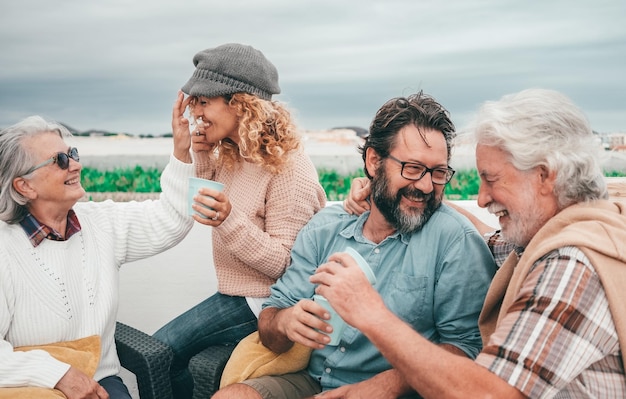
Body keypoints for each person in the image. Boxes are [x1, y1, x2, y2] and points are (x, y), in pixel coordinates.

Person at [321, 88, 626, 398]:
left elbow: (489, 394)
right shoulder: (566, 234)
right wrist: (392, 190)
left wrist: (371, 313)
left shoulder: (571, 265)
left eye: (490, 179)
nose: (480, 198)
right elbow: (485, 236)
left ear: (544, 176)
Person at [212, 91, 497, 399]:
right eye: (412, 168)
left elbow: (468, 349)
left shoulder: (456, 242)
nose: (426, 186)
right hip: (312, 380)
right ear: (374, 161)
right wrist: (284, 322)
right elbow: (271, 320)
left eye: (438, 173)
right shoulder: (325, 228)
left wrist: (388, 384)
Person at [152, 43, 327, 398]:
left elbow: (288, 265)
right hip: (235, 294)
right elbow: (204, 208)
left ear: (239, 102)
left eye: (203, 101)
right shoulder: (236, 153)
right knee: (159, 353)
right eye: (194, 102)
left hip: (263, 303)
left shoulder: (290, 169)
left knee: (158, 352)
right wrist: (191, 151)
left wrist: (229, 220)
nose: (195, 113)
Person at [0, 114, 196, 398]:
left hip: (100, 382)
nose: (76, 165)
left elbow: (171, 220)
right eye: (61, 161)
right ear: (25, 186)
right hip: (28, 388)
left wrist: (181, 151)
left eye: (73, 154)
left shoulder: (102, 224)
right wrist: (58, 375)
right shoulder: (5, 248)